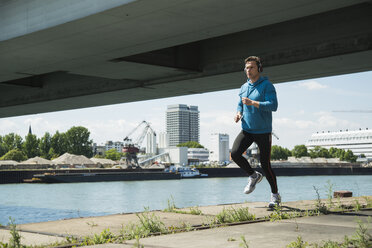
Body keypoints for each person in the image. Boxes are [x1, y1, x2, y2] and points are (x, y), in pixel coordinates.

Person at [231, 56, 280, 208]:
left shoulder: (267, 86)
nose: (248, 70)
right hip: (247, 129)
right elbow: (240, 104)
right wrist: (238, 113)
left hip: (263, 131)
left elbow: (273, 106)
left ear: (259, 68)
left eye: (251, 67)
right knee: (235, 153)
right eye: (246, 67)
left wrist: (253, 103)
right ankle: (253, 176)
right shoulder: (243, 87)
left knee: (265, 165)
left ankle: (275, 196)